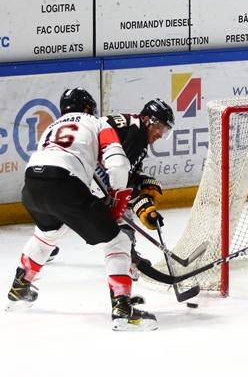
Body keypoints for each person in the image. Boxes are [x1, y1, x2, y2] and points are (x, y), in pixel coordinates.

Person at [5, 88, 157, 331]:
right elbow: (118, 164)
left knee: (47, 235)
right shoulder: (96, 123)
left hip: (32, 185)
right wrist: (118, 199)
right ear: (88, 107)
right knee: (118, 241)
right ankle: (122, 309)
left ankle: (19, 289)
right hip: (64, 183)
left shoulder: (52, 126)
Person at [48, 98, 174, 268]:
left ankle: (44, 245)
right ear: (146, 119)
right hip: (87, 165)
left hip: (77, 163)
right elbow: (119, 174)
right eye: (159, 127)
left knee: (69, 205)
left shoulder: (135, 127)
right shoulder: (137, 134)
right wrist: (140, 201)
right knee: (120, 204)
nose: (160, 134)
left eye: (165, 130)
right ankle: (127, 257)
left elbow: (128, 170)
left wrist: (143, 181)